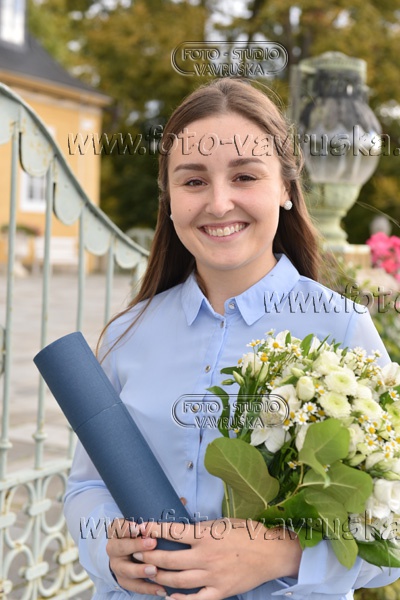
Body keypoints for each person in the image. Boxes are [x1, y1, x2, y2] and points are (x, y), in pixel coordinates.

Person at [64, 78, 400, 600]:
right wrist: (108, 548)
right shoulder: (129, 334)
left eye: (244, 176)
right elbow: (86, 486)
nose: (219, 203)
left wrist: (281, 554)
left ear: (285, 188)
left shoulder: (340, 327)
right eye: (193, 181)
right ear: (169, 199)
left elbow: (392, 528)